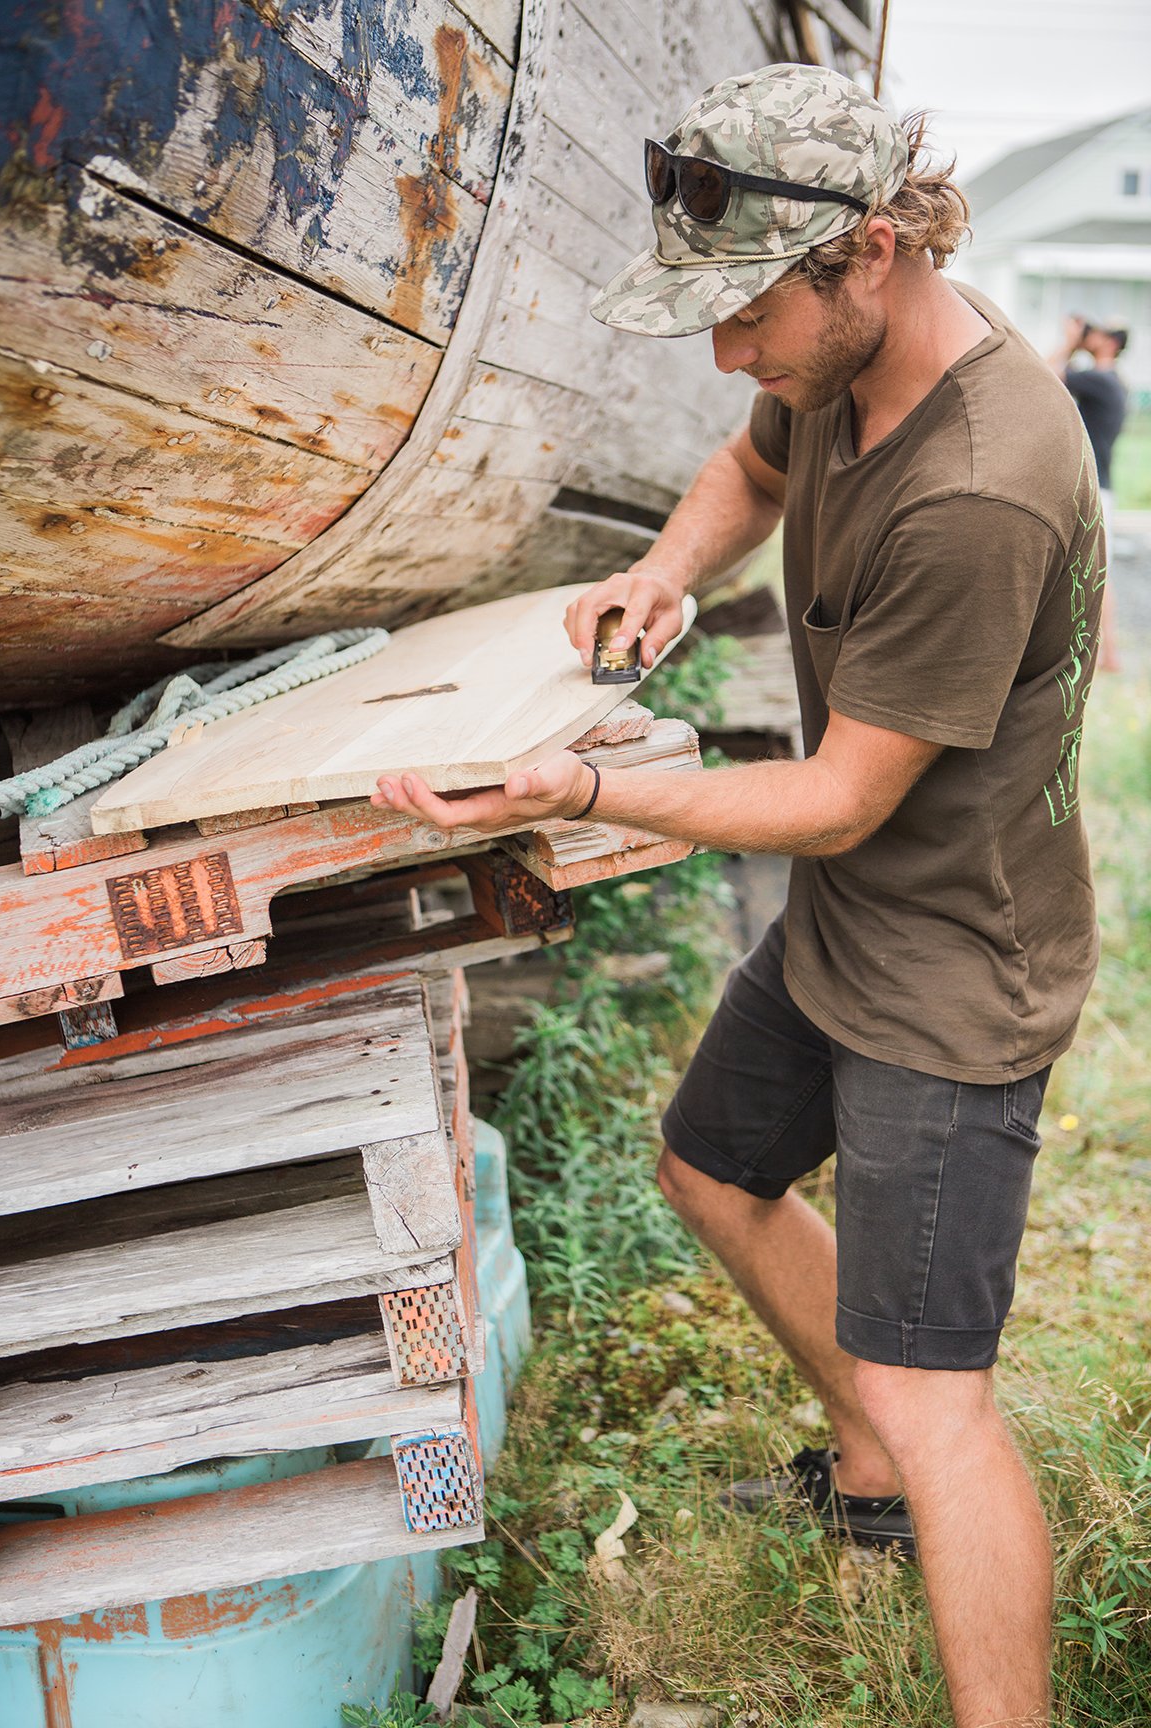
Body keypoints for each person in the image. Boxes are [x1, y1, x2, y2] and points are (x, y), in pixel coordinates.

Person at [373, 63, 1102, 1728]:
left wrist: (582, 787)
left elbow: (836, 799)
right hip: (854, 920)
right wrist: (661, 571)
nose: (726, 353)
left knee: (941, 1399)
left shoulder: (980, 482)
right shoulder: (839, 357)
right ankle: (862, 1459)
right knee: (709, 1169)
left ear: (868, 249)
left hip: (953, 969)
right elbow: (752, 470)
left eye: (747, 313)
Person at [1049, 315, 1128, 670]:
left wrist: (1069, 342)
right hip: (1102, 486)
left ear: (1111, 343)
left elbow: (1045, 374)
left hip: (1095, 488)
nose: (1090, 337)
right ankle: (1108, 653)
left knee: (1095, 574)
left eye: (1098, 334)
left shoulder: (1099, 379)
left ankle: (1108, 654)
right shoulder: (1113, 381)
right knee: (1097, 572)